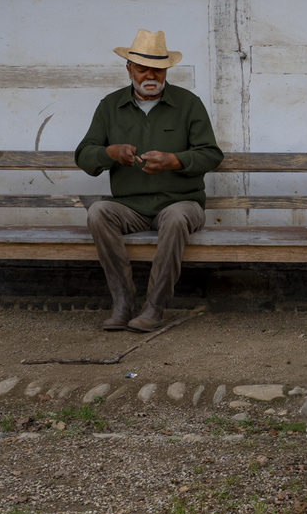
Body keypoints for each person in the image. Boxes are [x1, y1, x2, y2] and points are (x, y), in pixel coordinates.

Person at [74, 29, 224, 331]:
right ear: (129, 69)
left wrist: (175, 160)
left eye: (157, 68)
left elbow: (211, 154)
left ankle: (154, 308)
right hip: (131, 207)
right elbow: (84, 155)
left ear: (167, 70)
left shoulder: (188, 104)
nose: (150, 75)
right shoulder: (109, 106)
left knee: (178, 217)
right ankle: (122, 303)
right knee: (98, 212)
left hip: (181, 203)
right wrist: (109, 153)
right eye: (142, 68)